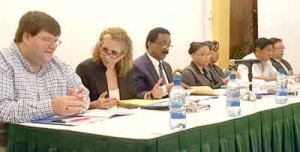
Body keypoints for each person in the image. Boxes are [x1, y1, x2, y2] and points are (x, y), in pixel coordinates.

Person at [0, 11, 89, 150]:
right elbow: (2, 109)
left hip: (55, 143)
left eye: (56, 41)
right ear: (27, 37)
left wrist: (77, 102)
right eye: (47, 40)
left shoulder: (59, 65)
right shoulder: (3, 62)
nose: (53, 46)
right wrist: (52, 107)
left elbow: (84, 94)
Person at [76, 27, 137, 109]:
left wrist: (149, 95)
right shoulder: (85, 69)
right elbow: (77, 104)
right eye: (105, 50)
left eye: (114, 53)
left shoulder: (128, 70)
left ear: (123, 55)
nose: (107, 57)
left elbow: (133, 97)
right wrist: (94, 105)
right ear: (99, 47)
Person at [133, 27, 174, 99]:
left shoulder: (167, 66)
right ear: (149, 44)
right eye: (163, 44)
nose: (167, 49)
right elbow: (136, 95)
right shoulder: (137, 66)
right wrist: (164, 90)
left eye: (168, 45)